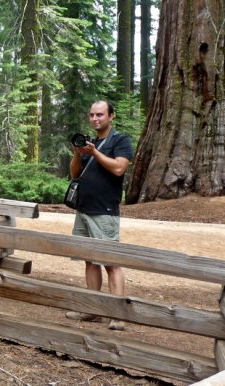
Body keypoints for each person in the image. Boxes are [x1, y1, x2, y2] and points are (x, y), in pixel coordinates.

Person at [65, 100, 133, 331]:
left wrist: (95, 152)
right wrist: (77, 153)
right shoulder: (89, 142)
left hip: (104, 211)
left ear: (111, 116)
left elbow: (118, 168)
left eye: (100, 115)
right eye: (92, 115)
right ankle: (92, 309)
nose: (95, 119)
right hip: (83, 209)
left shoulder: (119, 140)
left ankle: (117, 315)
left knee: (111, 262)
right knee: (90, 260)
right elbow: (75, 174)